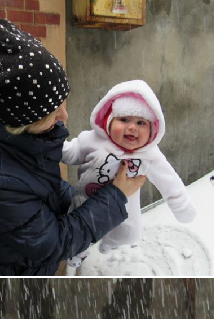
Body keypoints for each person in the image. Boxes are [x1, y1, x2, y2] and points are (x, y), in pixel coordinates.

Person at [0, 18, 146, 276]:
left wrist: (89, 194)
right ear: (25, 121)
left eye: (62, 103)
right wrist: (114, 197)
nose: (64, 115)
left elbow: (43, 190)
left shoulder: (12, 132)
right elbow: (54, 244)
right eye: (53, 112)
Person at [63, 79, 196, 267]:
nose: (132, 127)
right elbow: (72, 153)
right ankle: (75, 256)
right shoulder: (92, 140)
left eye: (141, 122)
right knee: (77, 231)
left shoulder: (149, 156)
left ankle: (110, 244)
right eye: (124, 120)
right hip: (84, 200)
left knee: (129, 232)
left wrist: (181, 206)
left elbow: (170, 182)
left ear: (152, 130)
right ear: (109, 121)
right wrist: (55, 146)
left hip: (124, 207)